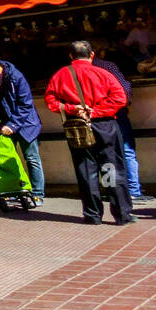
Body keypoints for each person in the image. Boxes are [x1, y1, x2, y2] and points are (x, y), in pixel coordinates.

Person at [45, 41, 133, 225]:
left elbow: (51, 101)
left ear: (71, 56)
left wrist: (71, 108)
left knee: (86, 169)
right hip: (105, 126)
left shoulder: (61, 75)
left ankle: (93, 215)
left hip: (77, 126)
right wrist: (96, 111)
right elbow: (120, 98)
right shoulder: (103, 73)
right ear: (92, 54)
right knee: (110, 167)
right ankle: (121, 214)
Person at [0, 52, 45, 206]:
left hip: (26, 123)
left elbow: (26, 104)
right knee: (5, 159)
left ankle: (38, 194)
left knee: (31, 158)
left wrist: (12, 125)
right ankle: (14, 190)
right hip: (2, 121)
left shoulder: (15, 76)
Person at [91, 42, 152, 204]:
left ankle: (111, 190)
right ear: (99, 52)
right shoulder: (107, 66)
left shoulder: (73, 71)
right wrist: (126, 104)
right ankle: (133, 190)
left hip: (92, 115)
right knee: (127, 150)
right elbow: (123, 88)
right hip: (115, 113)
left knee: (103, 153)